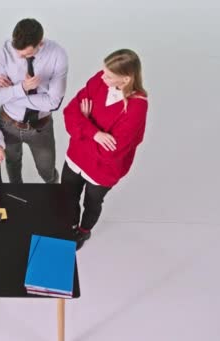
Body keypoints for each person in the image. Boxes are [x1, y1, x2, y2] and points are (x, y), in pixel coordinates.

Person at [62, 49, 148, 250]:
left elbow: (112, 152)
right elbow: (69, 113)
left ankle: (83, 231)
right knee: (67, 195)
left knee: (92, 203)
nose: (102, 77)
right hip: (75, 158)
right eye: (103, 71)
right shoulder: (99, 81)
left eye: (109, 75)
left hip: (103, 170)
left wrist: (82, 127)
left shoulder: (137, 107)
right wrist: (95, 134)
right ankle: (68, 224)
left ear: (125, 79)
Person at [0, 18, 68, 184]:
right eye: (17, 51)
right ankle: (17, 197)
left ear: (40, 43)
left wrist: (12, 92)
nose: (19, 56)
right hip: (8, 122)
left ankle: (53, 198)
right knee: (12, 165)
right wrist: (22, 88)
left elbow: (53, 103)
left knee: (47, 172)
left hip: (41, 126)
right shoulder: (3, 52)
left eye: (26, 54)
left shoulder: (57, 54)